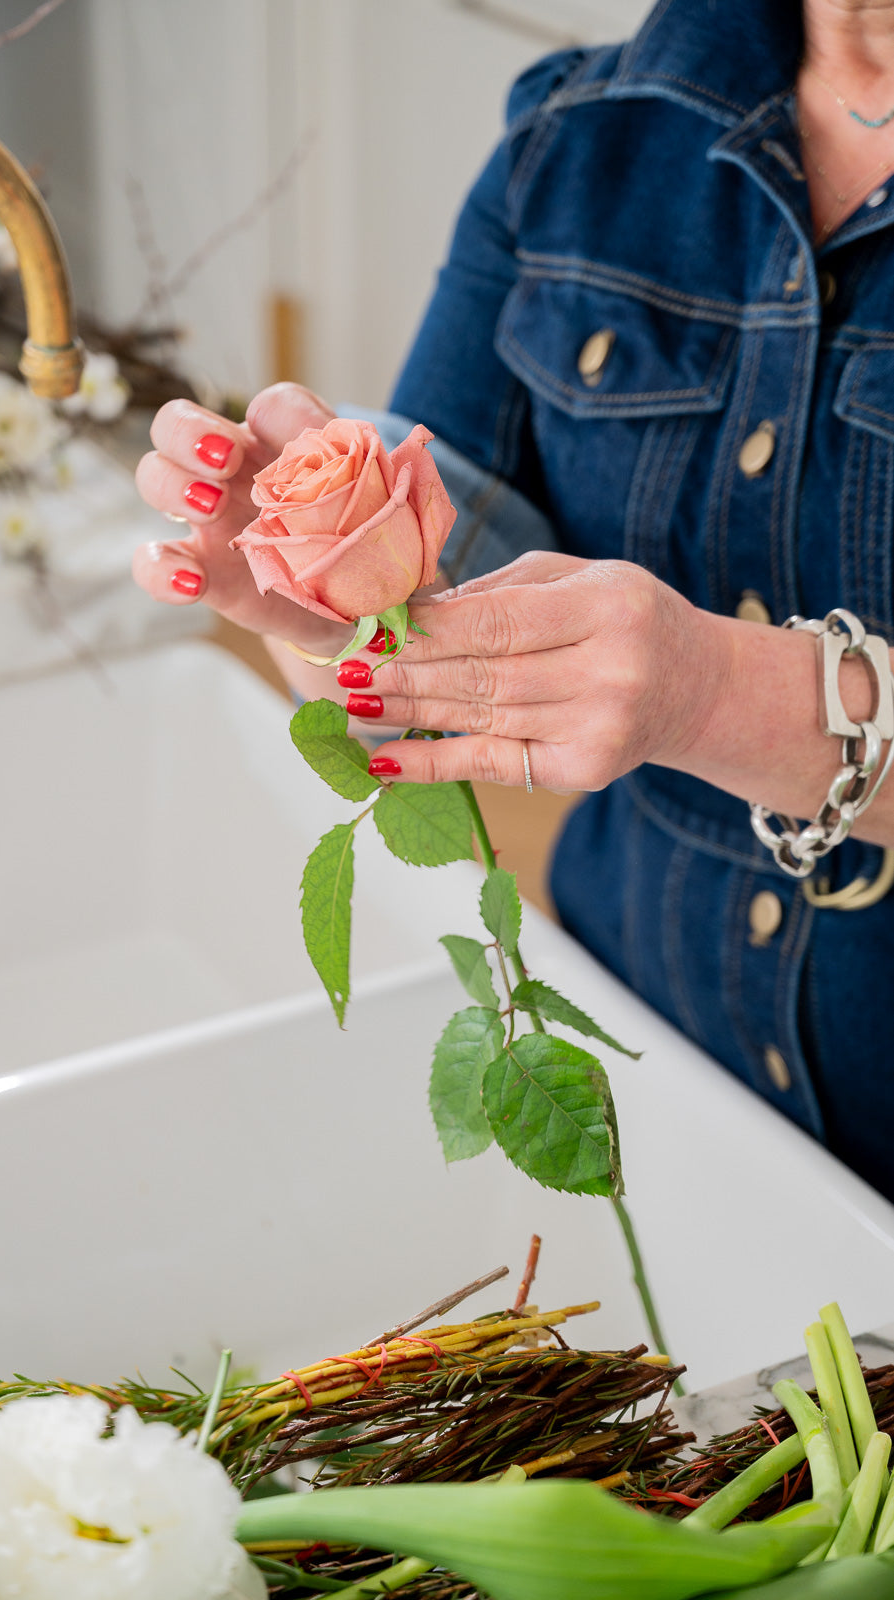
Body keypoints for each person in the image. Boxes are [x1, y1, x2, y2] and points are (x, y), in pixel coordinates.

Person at [133, 0, 894, 1204]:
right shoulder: (577, 134)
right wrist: (340, 609)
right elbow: (455, 597)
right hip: (643, 1074)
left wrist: (720, 696)